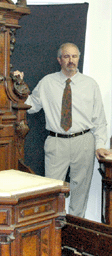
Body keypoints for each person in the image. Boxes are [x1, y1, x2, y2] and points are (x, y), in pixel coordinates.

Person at [15, 42, 109, 218]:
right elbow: (31, 105)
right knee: (52, 189)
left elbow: (100, 120)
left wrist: (100, 145)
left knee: (80, 190)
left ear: (78, 58)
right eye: (66, 56)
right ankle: (53, 229)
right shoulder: (47, 82)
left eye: (74, 56)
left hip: (84, 142)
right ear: (59, 60)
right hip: (56, 143)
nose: (71, 60)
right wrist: (18, 85)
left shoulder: (90, 85)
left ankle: (76, 229)